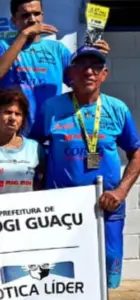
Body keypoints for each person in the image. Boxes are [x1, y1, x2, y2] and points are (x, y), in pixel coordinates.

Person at [32, 46, 140, 289]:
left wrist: (121, 192)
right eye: (82, 66)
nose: (89, 72)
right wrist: (40, 190)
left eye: (96, 67)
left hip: (107, 204)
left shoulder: (117, 108)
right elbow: (33, 149)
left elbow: (136, 153)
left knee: (108, 264)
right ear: (71, 72)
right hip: (62, 207)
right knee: (61, 267)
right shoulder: (52, 107)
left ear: (104, 74)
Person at [0, 0, 110, 134]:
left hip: (51, 130)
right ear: (14, 20)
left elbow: (80, 84)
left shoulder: (58, 49)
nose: (33, 20)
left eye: (37, 14)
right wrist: (24, 34)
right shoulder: (2, 45)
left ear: (43, 15)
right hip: (15, 132)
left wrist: (95, 58)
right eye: (25, 15)